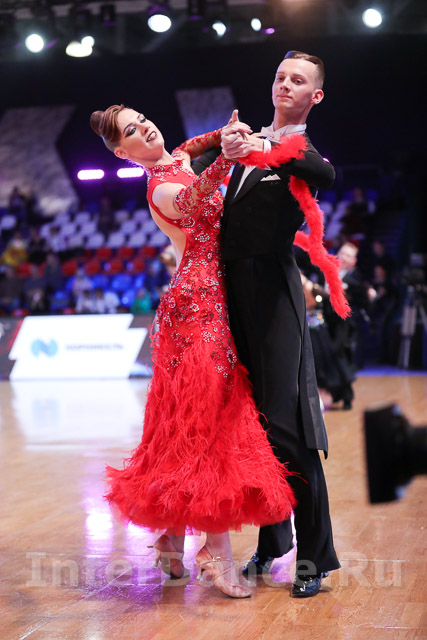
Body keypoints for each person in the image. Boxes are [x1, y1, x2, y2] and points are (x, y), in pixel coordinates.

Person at [90, 105, 296, 599]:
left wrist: (226, 133)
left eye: (143, 118)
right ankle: (215, 551)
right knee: (207, 424)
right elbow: (195, 197)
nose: (146, 128)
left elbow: (197, 143)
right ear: (123, 153)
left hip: (215, 302)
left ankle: (171, 536)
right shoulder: (161, 188)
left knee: (191, 422)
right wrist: (228, 156)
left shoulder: (179, 157)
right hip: (195, 311)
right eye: (132, 131)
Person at [200, 50, 342, 597]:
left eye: (298, 80)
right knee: (253, 427)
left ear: (315, 96)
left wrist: (261, 150)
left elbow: (324, 173)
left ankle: (315, 557)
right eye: (281, 76)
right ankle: (272, 539)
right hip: (232, 294)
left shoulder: (299, 151)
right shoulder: (243, 140)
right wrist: (228, 146)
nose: (285, 84)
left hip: (273, 296)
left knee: (288, 427)